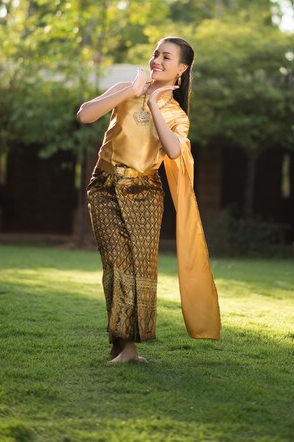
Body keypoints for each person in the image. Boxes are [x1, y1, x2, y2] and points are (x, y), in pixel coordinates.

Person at [77, 36, 221, 365]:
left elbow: (172, 150)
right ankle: (123, 345)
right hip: (104, 187)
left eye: (166, 57)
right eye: (156, 53)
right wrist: (131, 92)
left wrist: (154, 104)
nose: (157, 60)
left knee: (139, 269)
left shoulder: (176, 114)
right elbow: (85, 115)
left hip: (144, 194)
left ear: (181, 68)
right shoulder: (127, 90)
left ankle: (126, 348)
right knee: (115, 264)